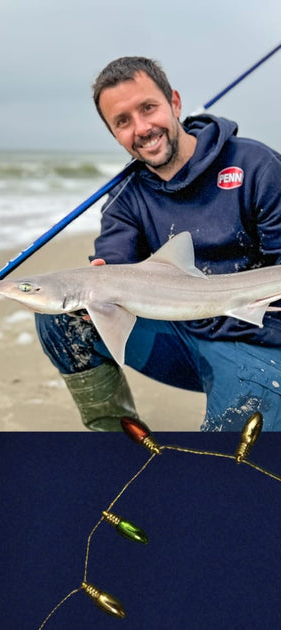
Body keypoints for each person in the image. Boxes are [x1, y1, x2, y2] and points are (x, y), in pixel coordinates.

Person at [34, 56, 281, 431]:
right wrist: (99, 280)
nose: (142, 128)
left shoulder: (256, 166)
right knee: (61, 319)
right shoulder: (126, 197)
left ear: (175, 103)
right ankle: (117, 437)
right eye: (123, 121)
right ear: (114, 133)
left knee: (226, 458)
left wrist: (240, 309)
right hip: (181, 336)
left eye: (148, 108)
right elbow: (114, 261)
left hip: (258, 336)